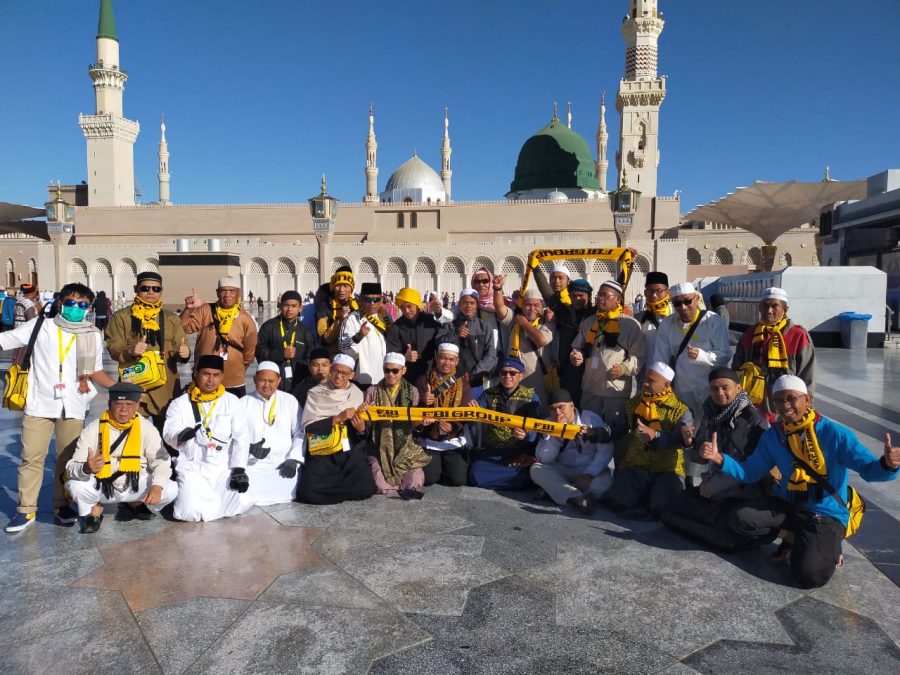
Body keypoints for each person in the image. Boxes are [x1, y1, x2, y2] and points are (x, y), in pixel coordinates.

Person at [700, 375, 900, 588]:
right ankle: (794, 536)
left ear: (808, 399)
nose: (785, 406)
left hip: (824, 512)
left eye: (791, 399)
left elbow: (869, 470)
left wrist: (889, 465)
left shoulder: (835, 434)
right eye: (778, 401)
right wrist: (721, 459)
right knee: (739, 518)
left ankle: (829, 541)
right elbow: (750, 472)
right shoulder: (774, 436)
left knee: (809, 576)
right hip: (789, 504)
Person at [2, 283, 116, 533]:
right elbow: (5, 340)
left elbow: (95, 370)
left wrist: (118, 388)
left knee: (67, 458)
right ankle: (26, 509)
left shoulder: (92, 334)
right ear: (61, 303)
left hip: (73, 403)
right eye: (72, 303)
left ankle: (60, 503)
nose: (77, 308)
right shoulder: (42, 326)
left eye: (83, 305)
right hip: (39, 403)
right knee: (31, 457)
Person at [661, 368, 770, 551]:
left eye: (725, 388)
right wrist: (692, 443)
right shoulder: (711, 412)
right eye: (714, 389)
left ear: (738, 388)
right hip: (713, 484)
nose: (720, 393)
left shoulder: (751, 421)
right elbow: (702, 457)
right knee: (672, 507)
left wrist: (713, 486)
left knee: (729, 518)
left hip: (741, 490)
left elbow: (748, 468)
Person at [65, 382, 178, 532]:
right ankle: (94, 508)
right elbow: (71, 467)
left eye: (129, 404)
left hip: (134, 485)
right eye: (118, 404)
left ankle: (136, 502)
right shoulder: (93, 428)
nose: (124, 410)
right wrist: (86, 467)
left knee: (170, 489)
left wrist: (157, 486)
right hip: (102, 486)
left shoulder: (146, 428)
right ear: (109, 404)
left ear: (137, 405)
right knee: (76, 486)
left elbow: (161, 461)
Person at [163, 355, 251, 522]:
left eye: (216, 375)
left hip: (222, 467)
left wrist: (239, 469)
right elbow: (169, 431)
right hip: (192, 467)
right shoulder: (180, 403)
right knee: (188, 513)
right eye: (206, 374)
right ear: (196, 373)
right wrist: (180, 435)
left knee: (242, 501)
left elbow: (241, 437)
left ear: (222, 376)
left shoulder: (232, 402)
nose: (211, 380)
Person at [604, 362, 693, 519]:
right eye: (645, 378)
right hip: (637, 462)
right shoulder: (635, 403)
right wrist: (596, 432)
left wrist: (656, 436)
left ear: (666, 384)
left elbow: (679, 439)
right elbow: (618, 428)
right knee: (618, 500)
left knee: (663, 507)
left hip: (667, 468)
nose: (645, 383)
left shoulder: (681, 410)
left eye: (651, 380)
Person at [105, 271, 191, 427]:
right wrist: (129, 351)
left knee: (170, 440)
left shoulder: (171, 318)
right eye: (145, 288)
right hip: (134, 386)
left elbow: (181, 346)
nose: (151, 292)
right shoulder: (122, 317)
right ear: (135, 288)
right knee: (130, 437)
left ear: (161, 290)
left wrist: (184, 354)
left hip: (166, 388)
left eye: (156, 289)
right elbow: (113, 347)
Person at [297, 354, 377, 504]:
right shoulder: (316, 393)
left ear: (351, 375)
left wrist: (360, 429)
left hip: (348, 448)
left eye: (344, 373)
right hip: (324, 447)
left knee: (365, 487)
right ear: (331, 370)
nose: (339, 376)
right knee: (309, 493)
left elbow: (362, 434)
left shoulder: (357, 394)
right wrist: (337, 418)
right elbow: (309, 427)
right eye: (336, 371)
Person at [651, 281, 730, 422]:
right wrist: (659, 384)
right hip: (682, 389)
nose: (683, 307)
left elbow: (724, 355)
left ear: (697, 299)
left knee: (708, 428)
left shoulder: (713, 321)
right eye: (677, 304)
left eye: (688, 301)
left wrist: (702, 356)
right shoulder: (667, 324)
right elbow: (660, 358)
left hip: (709, 389)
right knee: (686, 428)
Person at [731, 287, 815, 418]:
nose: (769, 311)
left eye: (774, 306)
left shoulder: (798, 335)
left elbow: (807, 375)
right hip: (751, 404)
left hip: (784, 406)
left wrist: (804, 405)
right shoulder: (750, 334)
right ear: (759, 308)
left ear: (785, 310)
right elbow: (736, 367)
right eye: (765, 306)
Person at [569, 279, 645, 422]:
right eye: (599, 295)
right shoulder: (589, 322)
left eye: (605, 296)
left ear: (617, 300)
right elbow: (578, 346)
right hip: (590, 389)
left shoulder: (630, 325)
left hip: (615, 391)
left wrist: (623, 368)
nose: (600, 299)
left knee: (614, 432)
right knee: (588, 431)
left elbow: (639, 357)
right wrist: (576, 355)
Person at [530, 388, 614, 511]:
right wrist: (556, 436)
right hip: (564, 469)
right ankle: (578, 498)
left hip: (588, 469)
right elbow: (544, 459)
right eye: (553, 409)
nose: (557, 413)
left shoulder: (590, 419)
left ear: (571, 405)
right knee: (536, 470)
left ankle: (557, 491)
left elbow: (606, 450)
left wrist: (589, 474)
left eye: (561, 407)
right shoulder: (548, 423)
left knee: (604, 484)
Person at [238, 362, 305, 508]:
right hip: (252, 467)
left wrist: (293, 459)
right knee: (242, 493)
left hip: (283, 465)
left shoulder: (289, 401)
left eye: (271, 381)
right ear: (255, 379)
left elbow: (300, 432)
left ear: (279, 381)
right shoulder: (243, 403)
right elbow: (234, 437)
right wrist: (247, 448)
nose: (266, 385)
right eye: (262, 380)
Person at [468, 356, 541, 490]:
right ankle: (511, 482)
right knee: (474, 474)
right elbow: (476, 417)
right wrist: (474, 414)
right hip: (493, 450)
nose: (508, 376)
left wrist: (526, 435)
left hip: (518, 451)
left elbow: (536, 430)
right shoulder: (488, 394)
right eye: (504, 372)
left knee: (527, 474)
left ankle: (507, 480)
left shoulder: (531, 397)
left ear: (520, 376)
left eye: (513, 373)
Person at [364, 353, 431, 496]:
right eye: (386, 370)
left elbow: (412, 424)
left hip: (405, 446)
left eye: (395, 371)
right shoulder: (372, 391)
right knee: (380, 485)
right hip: (379, 446)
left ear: (403, 370)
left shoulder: (412, 392)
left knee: (414, 482)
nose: (390, 374)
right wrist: (366, 414)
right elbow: (368, 427)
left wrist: (420, 422)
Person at [181, 277, 258, 397]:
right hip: (204, 379)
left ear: (239, 293)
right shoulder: (205, 311)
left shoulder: (245, 319)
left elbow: (249, 354)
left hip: (233, 382)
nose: (227, 295)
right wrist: (188, 310)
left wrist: (237, 368)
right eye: (223, 291)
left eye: (232, 291)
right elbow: (183, 328)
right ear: (217, 292)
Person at [492, 276, 555, 407]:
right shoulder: (515, 320)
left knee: (536, 416)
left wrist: (525, 324)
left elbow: (541, 340)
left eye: (536, 305)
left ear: (542, 307)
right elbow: (500, 308)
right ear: (522, 306)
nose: (532, 308)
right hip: (512, 380)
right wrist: (498, 289)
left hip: (537, 380)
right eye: (528, 305)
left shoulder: (548, 323)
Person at [415, 342, 472, 487]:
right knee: (429, 479)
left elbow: (464, 412)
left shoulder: (463, 384)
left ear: (457, 361)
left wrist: (452, 426)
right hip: (429, 437)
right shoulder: (423, 380)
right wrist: (424, 401)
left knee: (457, 480)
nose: (447, 363)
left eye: (451, 360)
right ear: (436, 358)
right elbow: (414, 411)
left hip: (452, 438)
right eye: (443, 358)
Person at [255, 290, 314, 392]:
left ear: (300, 308)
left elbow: (309, 357)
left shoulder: (304, 331)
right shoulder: (268, 327)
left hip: (297, 382)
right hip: (273, 381)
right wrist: (282, 354)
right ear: (280, 306)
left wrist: (299, 371)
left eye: (294, 306)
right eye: (286, 305)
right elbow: (260, 353)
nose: (289, 309)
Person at [439, 288, 498, 390]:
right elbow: (439, 344)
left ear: (477, 305)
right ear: (459, 304)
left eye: (472, 303)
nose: (468, 306)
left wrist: (474, 374)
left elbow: (490, 355)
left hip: (475, 380)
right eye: (465, 302)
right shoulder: (449, 325)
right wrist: (455, 334)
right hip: (450, 379)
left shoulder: (484, 327)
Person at [385, 287, 445, 385]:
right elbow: (391, 353)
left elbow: (444, 338)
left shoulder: (431, 321)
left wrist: (439, 312)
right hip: (407, 378)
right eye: (403, 307)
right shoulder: (396, 327)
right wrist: (404, 357)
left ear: (417, 305)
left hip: (431, 375)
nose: (406, 311)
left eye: (409, 306)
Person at [339, 282, 393, 388]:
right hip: (362, 381)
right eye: (367, 300)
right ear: (360, 300)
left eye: (376, 300)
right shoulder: (352, 319)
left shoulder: (386, 318)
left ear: (381, 300)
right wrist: (359, 336)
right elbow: (342, 346)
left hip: (385, 380)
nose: (372, 303)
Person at [635, 271, 671, 378]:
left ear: (667, 292)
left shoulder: (676, 317)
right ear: (645, 293)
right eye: (650, 291)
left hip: (673, 379)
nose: (654, 295)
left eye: (659, 290)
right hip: (647, 377)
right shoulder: (638, 319)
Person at [316, 268, 358, 357]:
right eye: (338, 286)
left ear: (351, 288)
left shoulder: (358, 305)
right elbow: (324, 339)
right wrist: (340, 320)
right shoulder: (325, 306)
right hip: (333, 356)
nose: (341, 290)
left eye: (346, 286)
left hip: (354, 355)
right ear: (332, 287)